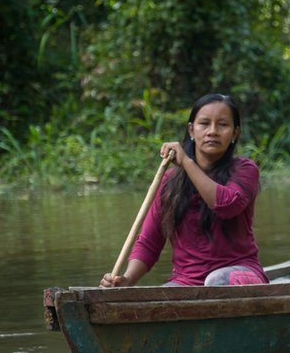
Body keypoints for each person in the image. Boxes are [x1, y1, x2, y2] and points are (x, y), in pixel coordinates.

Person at [100, 93, 268, 287]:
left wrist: (186, 162)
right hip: (187, 282)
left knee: (216, 281)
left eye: (222, 125)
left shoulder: (245, 170)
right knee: (160, 298)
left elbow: (226, 204)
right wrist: (126, 281)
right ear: (191, 130)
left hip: (238, 275)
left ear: (235, 133)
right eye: (204, 123)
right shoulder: (169, 181)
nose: (212, 131)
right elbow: (149, 243)